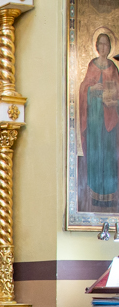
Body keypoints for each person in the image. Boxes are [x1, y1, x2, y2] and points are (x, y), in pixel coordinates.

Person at [79, 32, 119, 207]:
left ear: (110, 47)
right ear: (96, 46)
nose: (104, 47)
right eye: (101, 44)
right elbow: (83, 88)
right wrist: (92, 88)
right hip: (95, 119)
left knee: (110, 154)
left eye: (106, 44)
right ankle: (95, 194)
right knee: (96, 154)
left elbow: (117, 89)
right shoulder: (92, 65)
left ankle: (111, 194)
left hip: (110, 118)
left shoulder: (113, 67)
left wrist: (112, 96)